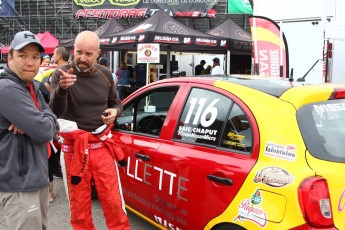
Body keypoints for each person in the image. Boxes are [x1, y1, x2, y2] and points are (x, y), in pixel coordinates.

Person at [49, 31, 130, 230]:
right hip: (73, 148)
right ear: (72, 51)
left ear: (98, 53)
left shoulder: (105, 74)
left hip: (102, 145)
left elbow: (117, 102)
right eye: (79, 52)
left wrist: (115, 111)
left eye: (88, 54)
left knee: (113, 202)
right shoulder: (61, 74)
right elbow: (53, 112)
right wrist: (62, 90)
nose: (82, 58)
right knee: (79, 208)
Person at [0, 30, 59, 229]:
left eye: (35, 57)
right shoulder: (8, 89)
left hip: (36, 178)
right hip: (20, 184)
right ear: (9, 57)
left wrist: (36, 119)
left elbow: (52, 121)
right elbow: (44, 131)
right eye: (22, 56)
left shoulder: (31, 86)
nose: (30, 62)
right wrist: (40, 121)